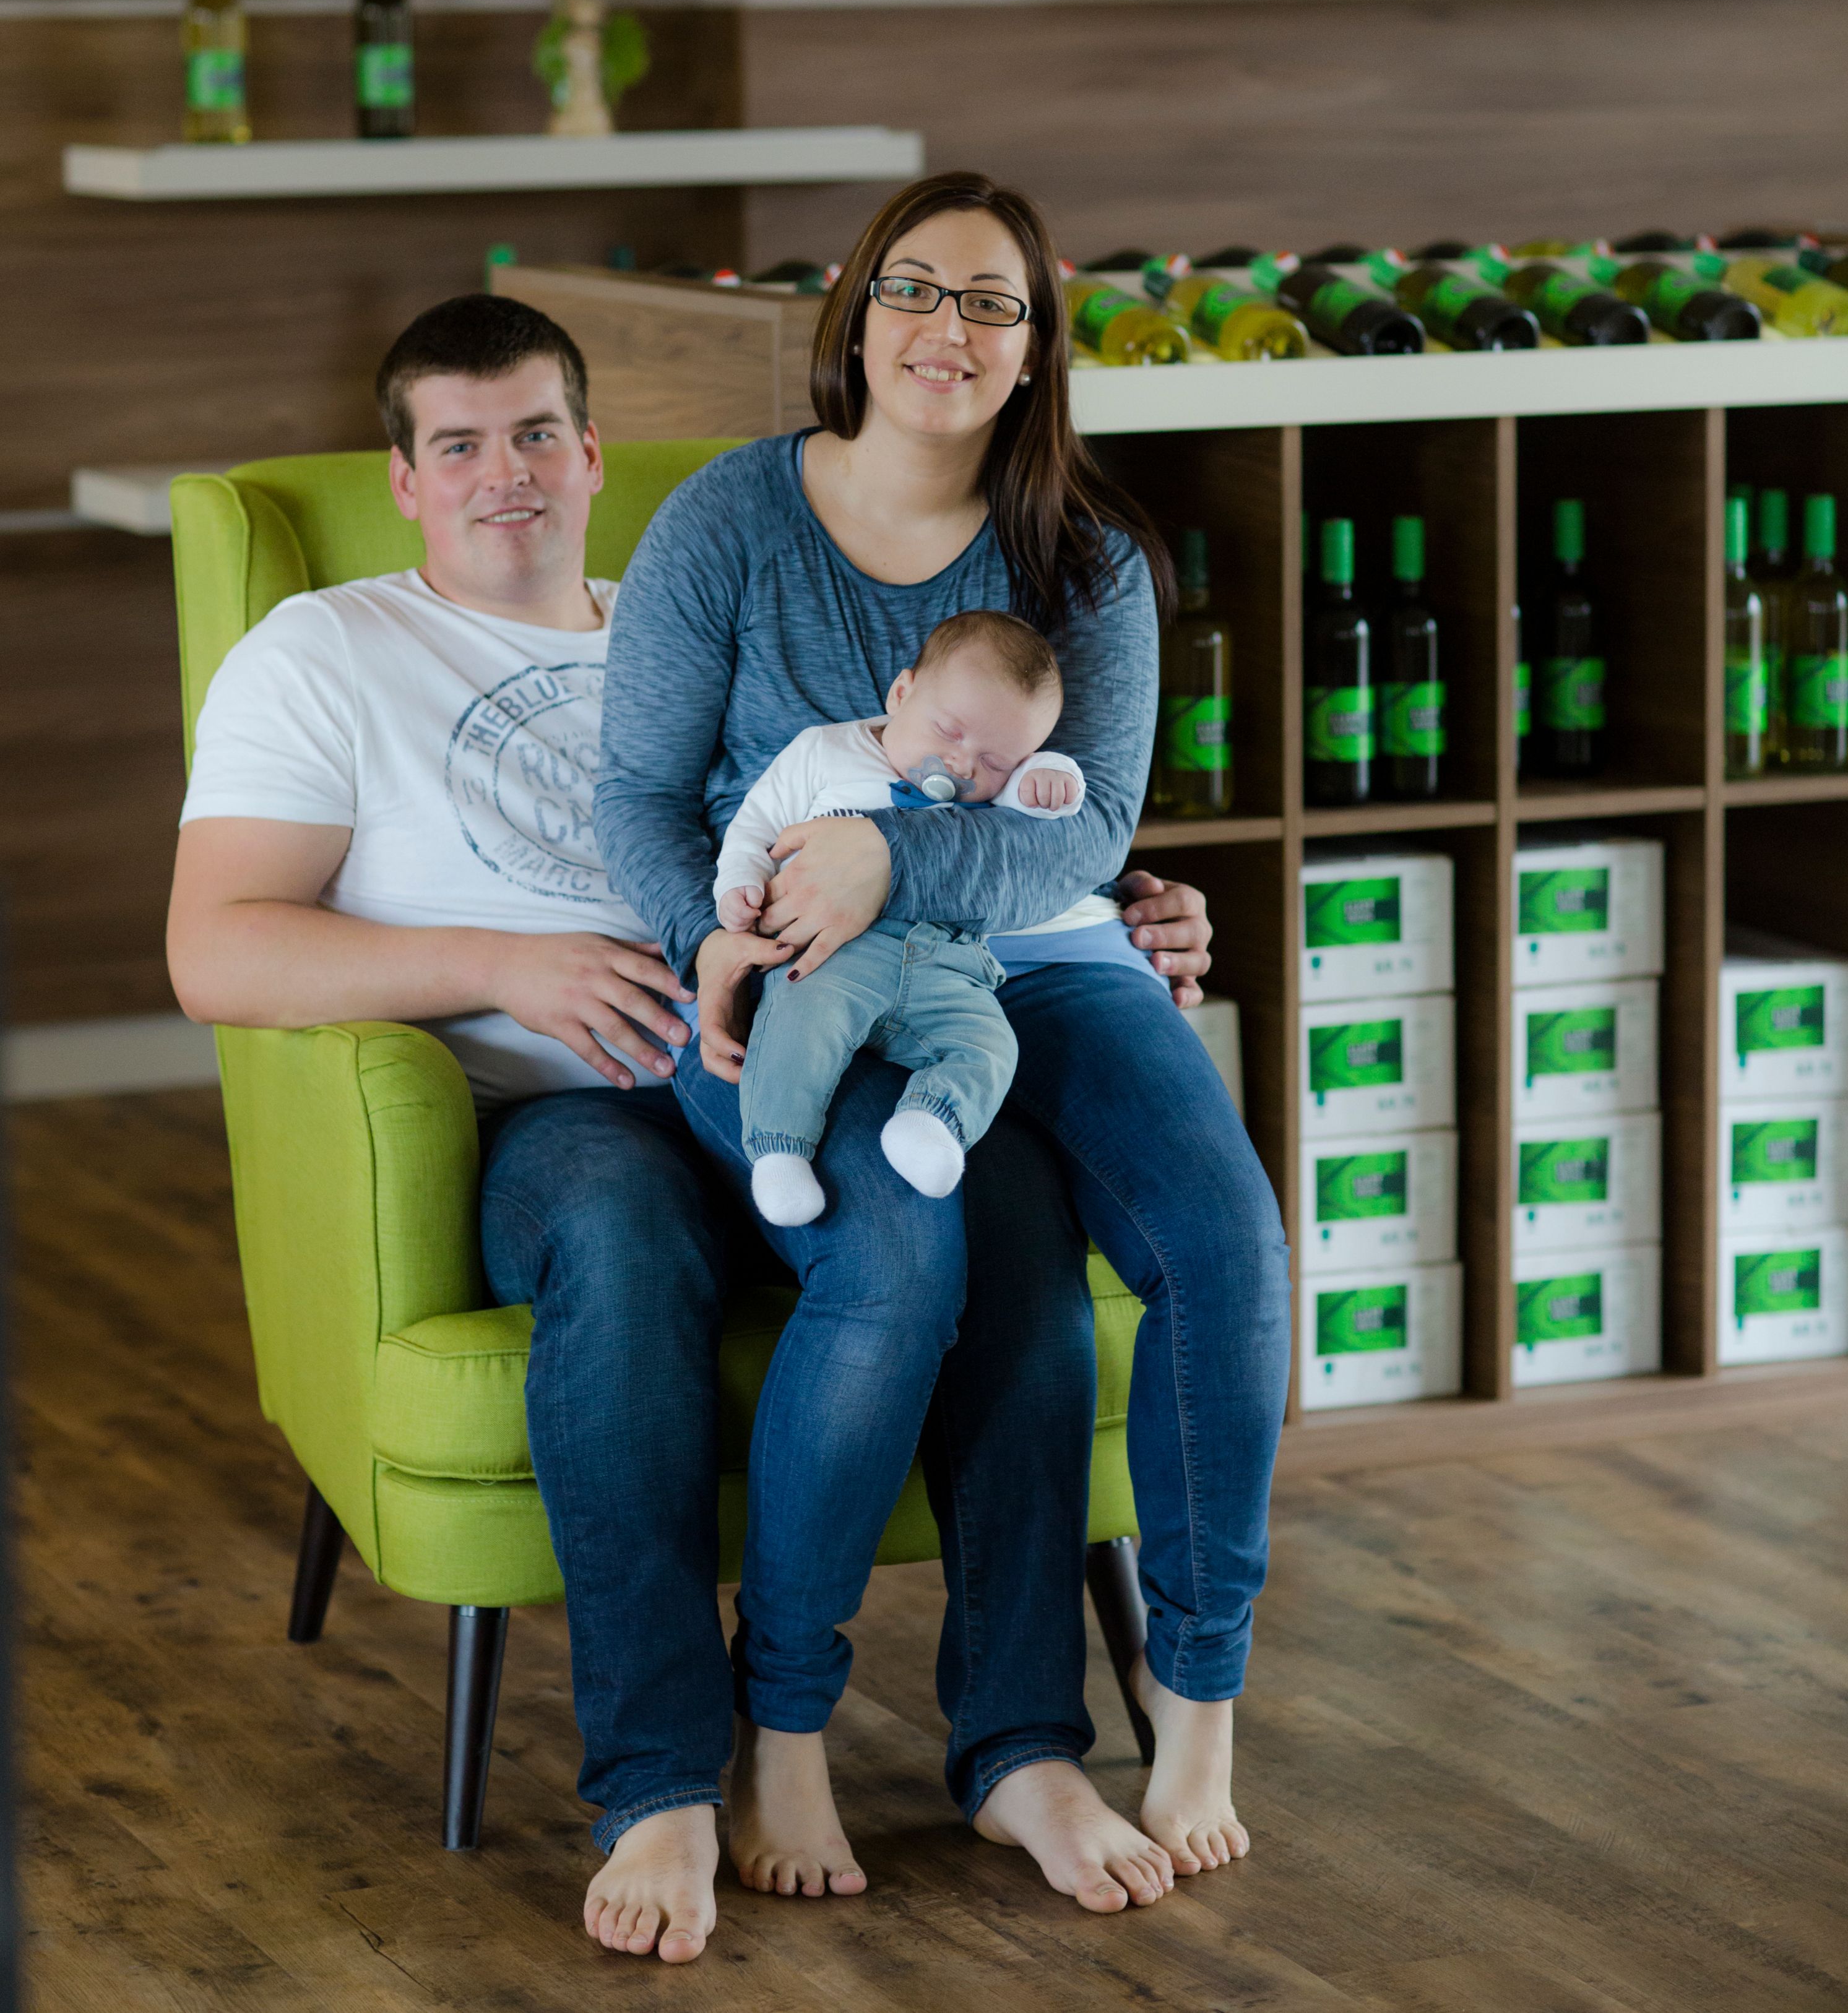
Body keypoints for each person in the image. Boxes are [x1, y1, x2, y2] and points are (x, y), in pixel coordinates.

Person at [165, 285, 1224, 1963]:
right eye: (460, 444)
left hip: (782, 1049)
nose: (506, 472)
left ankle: (1019, 1742)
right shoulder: (326, 649)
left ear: (595, 456)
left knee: (986, 1229)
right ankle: (663, 1778)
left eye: (536, 432)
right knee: (621, 1241)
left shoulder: (700, 610)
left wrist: (1106, 903)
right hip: (555, 1106)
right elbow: (213, 947)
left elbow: (920, 790)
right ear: (405, 477)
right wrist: (503, 963)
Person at [597, 170, 1293, 1931]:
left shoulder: (1090, 557)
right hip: (807, 978)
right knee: (965, 1259)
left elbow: (1090, 830)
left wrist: (898, 857)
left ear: (1037, 345)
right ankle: (815, 1727)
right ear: (855, 312)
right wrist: (713, 939)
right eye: (916, 287)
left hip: (1040, 965)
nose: (948, 328)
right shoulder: (727, 520)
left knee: (1224, 1238)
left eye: (994, 302)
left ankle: (1192, 1714)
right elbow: (639, 795)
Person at [715, 606, 1095, 1224]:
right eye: (949, 732)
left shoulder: (996, 783)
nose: (963, 766)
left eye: (995, 762)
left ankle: (930, 1122)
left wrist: (1052, 774)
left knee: (990, 1044)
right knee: (795, 1025)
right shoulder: (824, 752)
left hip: (947, 961)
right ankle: (780, 1154)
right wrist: (739, 884)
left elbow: (1047, 800)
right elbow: (755, 827)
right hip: (833, 954)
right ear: (901, 693)